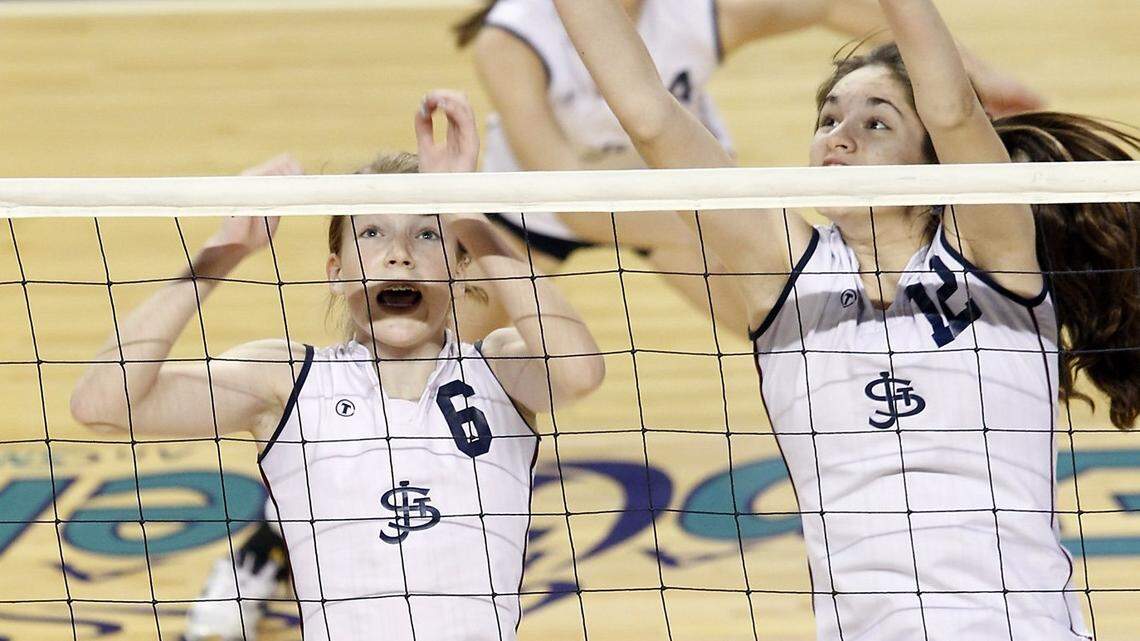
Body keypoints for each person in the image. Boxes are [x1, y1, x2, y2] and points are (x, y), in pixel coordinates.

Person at [550, 0, 1140, 638]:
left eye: (876, 123)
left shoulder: (993, 256)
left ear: (932, 158)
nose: (839, 135)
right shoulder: (784, 272)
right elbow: (649, 115)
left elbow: (954, 110)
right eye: (828, 118)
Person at [70, 90, 605, 641]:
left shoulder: (498, 370)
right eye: (372, 234)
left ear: (460, 264)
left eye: (427, 233)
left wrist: (466, 209)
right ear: (336, 271)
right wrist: (219, 255)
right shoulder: (289, 382)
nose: (400, 253)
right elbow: (102, 405)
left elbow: (579, 371)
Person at [455, 0, 1045, 338]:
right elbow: (567, 194)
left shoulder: (701, 11)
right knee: (453, 345)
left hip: (671, 183)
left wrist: (980, 73)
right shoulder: (512, 38)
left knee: (794, 329)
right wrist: (741, 222)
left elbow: (837, 4)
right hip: (540, 208)